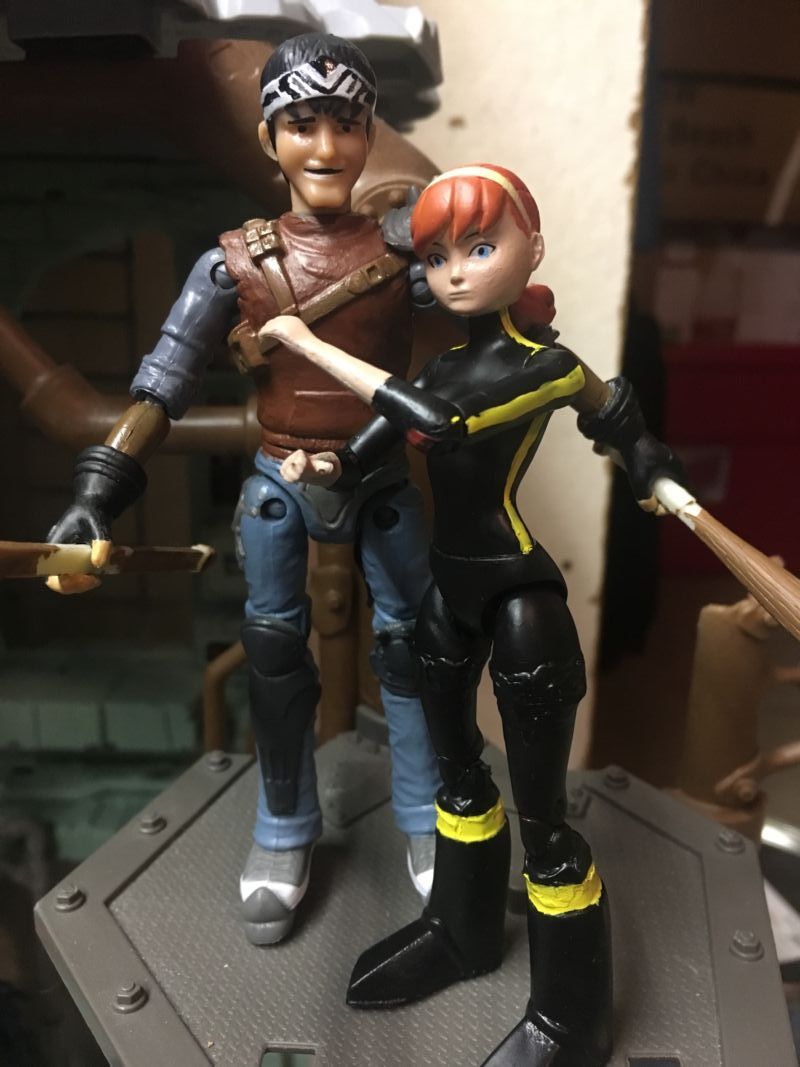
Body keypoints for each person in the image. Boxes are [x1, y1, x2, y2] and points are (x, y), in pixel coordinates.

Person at [264, 164, 684, 1066]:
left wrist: (651, 463)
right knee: (457, 777)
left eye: (481, 247)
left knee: (545, 820)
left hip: (520, 601)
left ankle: (571, 1017)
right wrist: (325, 467)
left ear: (532, 248)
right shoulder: (445, 364)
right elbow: (375, 442)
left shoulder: (541, 367)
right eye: (438, 257)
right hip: (446, 597)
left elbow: (467, 421)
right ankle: (461, 929)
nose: (456, 272)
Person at [45, 33, 442, 947]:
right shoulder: (233, 264)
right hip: (279, 480)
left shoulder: (405, 256)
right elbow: (164, 382)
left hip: (380, 474)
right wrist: (99, 490)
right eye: (302, 124)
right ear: (270, 139)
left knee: (416, 646)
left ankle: (429, 817)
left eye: (345, 123)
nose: (326, 146)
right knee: (272, 654)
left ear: (368, 132)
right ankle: (284, 825)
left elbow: (479, 323)